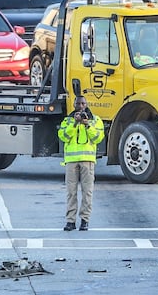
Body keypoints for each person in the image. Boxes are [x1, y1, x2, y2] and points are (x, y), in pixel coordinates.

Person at [57, 95, 104, 231]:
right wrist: (75, 123)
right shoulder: (67, 120)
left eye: (83, 104)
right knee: (71, 192)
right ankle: (70, 221)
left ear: (87, 104)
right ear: (74, 105)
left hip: (87, 161)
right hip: (71, 161)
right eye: (78, 104)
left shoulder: (95, 120)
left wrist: (87, 124)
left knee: (87, 192)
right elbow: (63, 136)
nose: (81, 106)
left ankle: (85, 220)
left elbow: (97, 138)